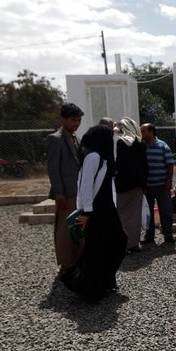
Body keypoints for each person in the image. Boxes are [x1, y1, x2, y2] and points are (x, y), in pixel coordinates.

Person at [61, 125, 127, 298]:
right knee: (99, 247)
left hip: (106, 208)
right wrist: (86, 213)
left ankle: (103, 281)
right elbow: (85, 185)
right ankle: (91, 286)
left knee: (113, 243)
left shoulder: (100, 156)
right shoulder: (93, 156)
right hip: (96, 210)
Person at [46, 103, 84, 273]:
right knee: (64, 229)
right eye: (73, 120)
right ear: (63, 119)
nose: (76, 123)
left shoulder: (75, 137)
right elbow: (53, 169)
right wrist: (59, 193)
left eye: (78, 120)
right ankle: (65, 263)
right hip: (66, 193)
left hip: (78, 192)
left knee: (77, 227)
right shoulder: (55, 139)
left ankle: (76, 259)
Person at [114, 117, 148, 254]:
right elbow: (145, 166)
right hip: (138, 185)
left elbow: (120, 165)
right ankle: (133, 243)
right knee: (135, 215)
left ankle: (121, 243)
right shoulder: (141, 143)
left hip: (123, 185)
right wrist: (143, 183)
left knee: (121, 214)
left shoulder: (121, 143)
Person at [140, 123, 175, 243]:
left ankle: (168, 234)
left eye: (143, 131)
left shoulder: (162, 146)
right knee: (147, 212)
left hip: (162, 185)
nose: (141, 133)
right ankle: (149, 236)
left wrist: (169, 180)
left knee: (165, 211)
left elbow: (170, 164)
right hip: (147, 187)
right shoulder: (141, 146)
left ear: (151, 132)